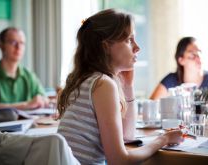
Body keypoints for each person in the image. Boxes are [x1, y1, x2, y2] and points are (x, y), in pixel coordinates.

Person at [57, 9, 183, 164]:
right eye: (129, 40)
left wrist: (128, 86)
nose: (137, 47)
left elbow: (127, 136)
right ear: (106, 47)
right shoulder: (102, 84)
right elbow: (119, 160)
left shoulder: (87, 79)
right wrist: (163, 139)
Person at [0, 27, 49, 110]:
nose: (18, 47)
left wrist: (41, 100)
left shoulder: (29, 75)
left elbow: (44, 99)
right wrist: (27, 105)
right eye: (13, 42)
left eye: (22, 43)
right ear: (1, 45)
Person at [150, 37, 208, 101]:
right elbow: (151, 106)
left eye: (200, 52)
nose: (198, 58)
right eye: (192, 55)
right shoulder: (171, 80)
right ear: (181, 60)